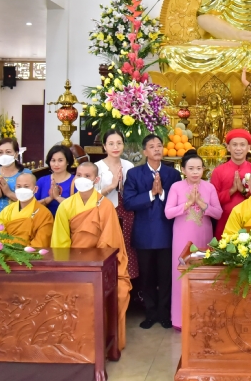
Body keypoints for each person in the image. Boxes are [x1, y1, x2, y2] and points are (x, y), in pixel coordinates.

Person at [51, 161, 131, 350]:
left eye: (87, 176)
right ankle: (71, 343)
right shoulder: (66, 206)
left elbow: (110, 242)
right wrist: (71, 268)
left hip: (100, 266)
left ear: (96, 180)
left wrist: (94, 266)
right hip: (72, 266)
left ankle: (105, 343)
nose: (82, 179)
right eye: (79, 175)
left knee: (118, 293)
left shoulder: (105, 206)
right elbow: (60, 243)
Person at [123, 134, 181, 329]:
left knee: (166, 276)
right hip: (144, 233)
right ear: (144, 151)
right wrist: (151, 193)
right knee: (146, 277)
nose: (156, 149)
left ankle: (164, 313)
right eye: (151, 146)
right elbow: (129, 202)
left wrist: (163, 193)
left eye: (159, 145)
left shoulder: (172, 174)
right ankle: (150, 312)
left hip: (166, 232)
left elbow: (178, 202)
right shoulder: (134, 174)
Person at [164, 150, 223, 330]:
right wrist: (188, 204)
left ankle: (203, 317)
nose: (195, 172)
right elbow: (168, 213)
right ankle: (180, 320)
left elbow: (218, 213)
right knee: (181, 274)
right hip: (182, 237)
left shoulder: (209, 187)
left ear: (203, 169)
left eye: (199, 168)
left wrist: (202, 204)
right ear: (183, 169)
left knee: (203, 274)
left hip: (204, 236)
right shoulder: (176, 187)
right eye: (191, 168)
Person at [97, 129, 139, 279]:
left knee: (127, 246)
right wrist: (111, 186)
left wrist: (123, 188)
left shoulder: (129, 165)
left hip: (126, 212)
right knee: (109, 245)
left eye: (119, 143)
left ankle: (128, 282)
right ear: (104, 146)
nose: (115, 147)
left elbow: (134, 191)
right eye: (111, 144)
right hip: (106, 212)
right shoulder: (97, 167)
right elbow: (93, 196)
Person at [210, 128, 251, 239]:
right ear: (228, 147)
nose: (238, 148)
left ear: (249, 148)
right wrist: (231, 190)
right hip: (225, 222)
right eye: (234, 145)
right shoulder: (218, 171)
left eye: (242, 145)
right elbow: (212, 200)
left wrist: (243, 190)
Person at [0, 172, 53, 248]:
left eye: (26, 186)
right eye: (19, 186)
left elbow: (41, 242)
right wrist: (8, 249)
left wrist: (23, 254)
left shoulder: (44, 214)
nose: (22, 190)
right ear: (15, 188)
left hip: (29, 257)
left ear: (35, 189)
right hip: (5, 254)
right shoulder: (7, 210)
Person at [36, 145, 76, 217]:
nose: (56, 164)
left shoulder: (75, 181)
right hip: (44, 223)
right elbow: (32, 206)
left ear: (67, 162)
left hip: (67, 224)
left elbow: (77, 208)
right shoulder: (42, 181)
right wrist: (49, 198)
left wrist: (58, 198)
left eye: (60, 160)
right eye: (53, 160)